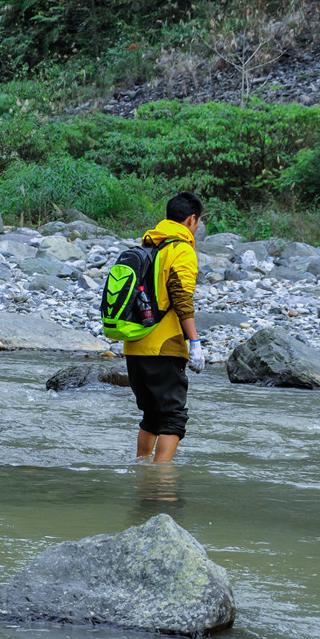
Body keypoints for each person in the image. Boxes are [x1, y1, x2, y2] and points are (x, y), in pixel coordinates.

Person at [125, 191, 205, 464]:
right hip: (164, 347)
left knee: (151, 415)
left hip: (134, 345)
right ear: (192, 219)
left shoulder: (147, 247)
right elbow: (181, 296)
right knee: (173, 418)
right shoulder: (182, 250)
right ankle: (161, 481)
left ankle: (141, 473)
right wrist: (194, 342)